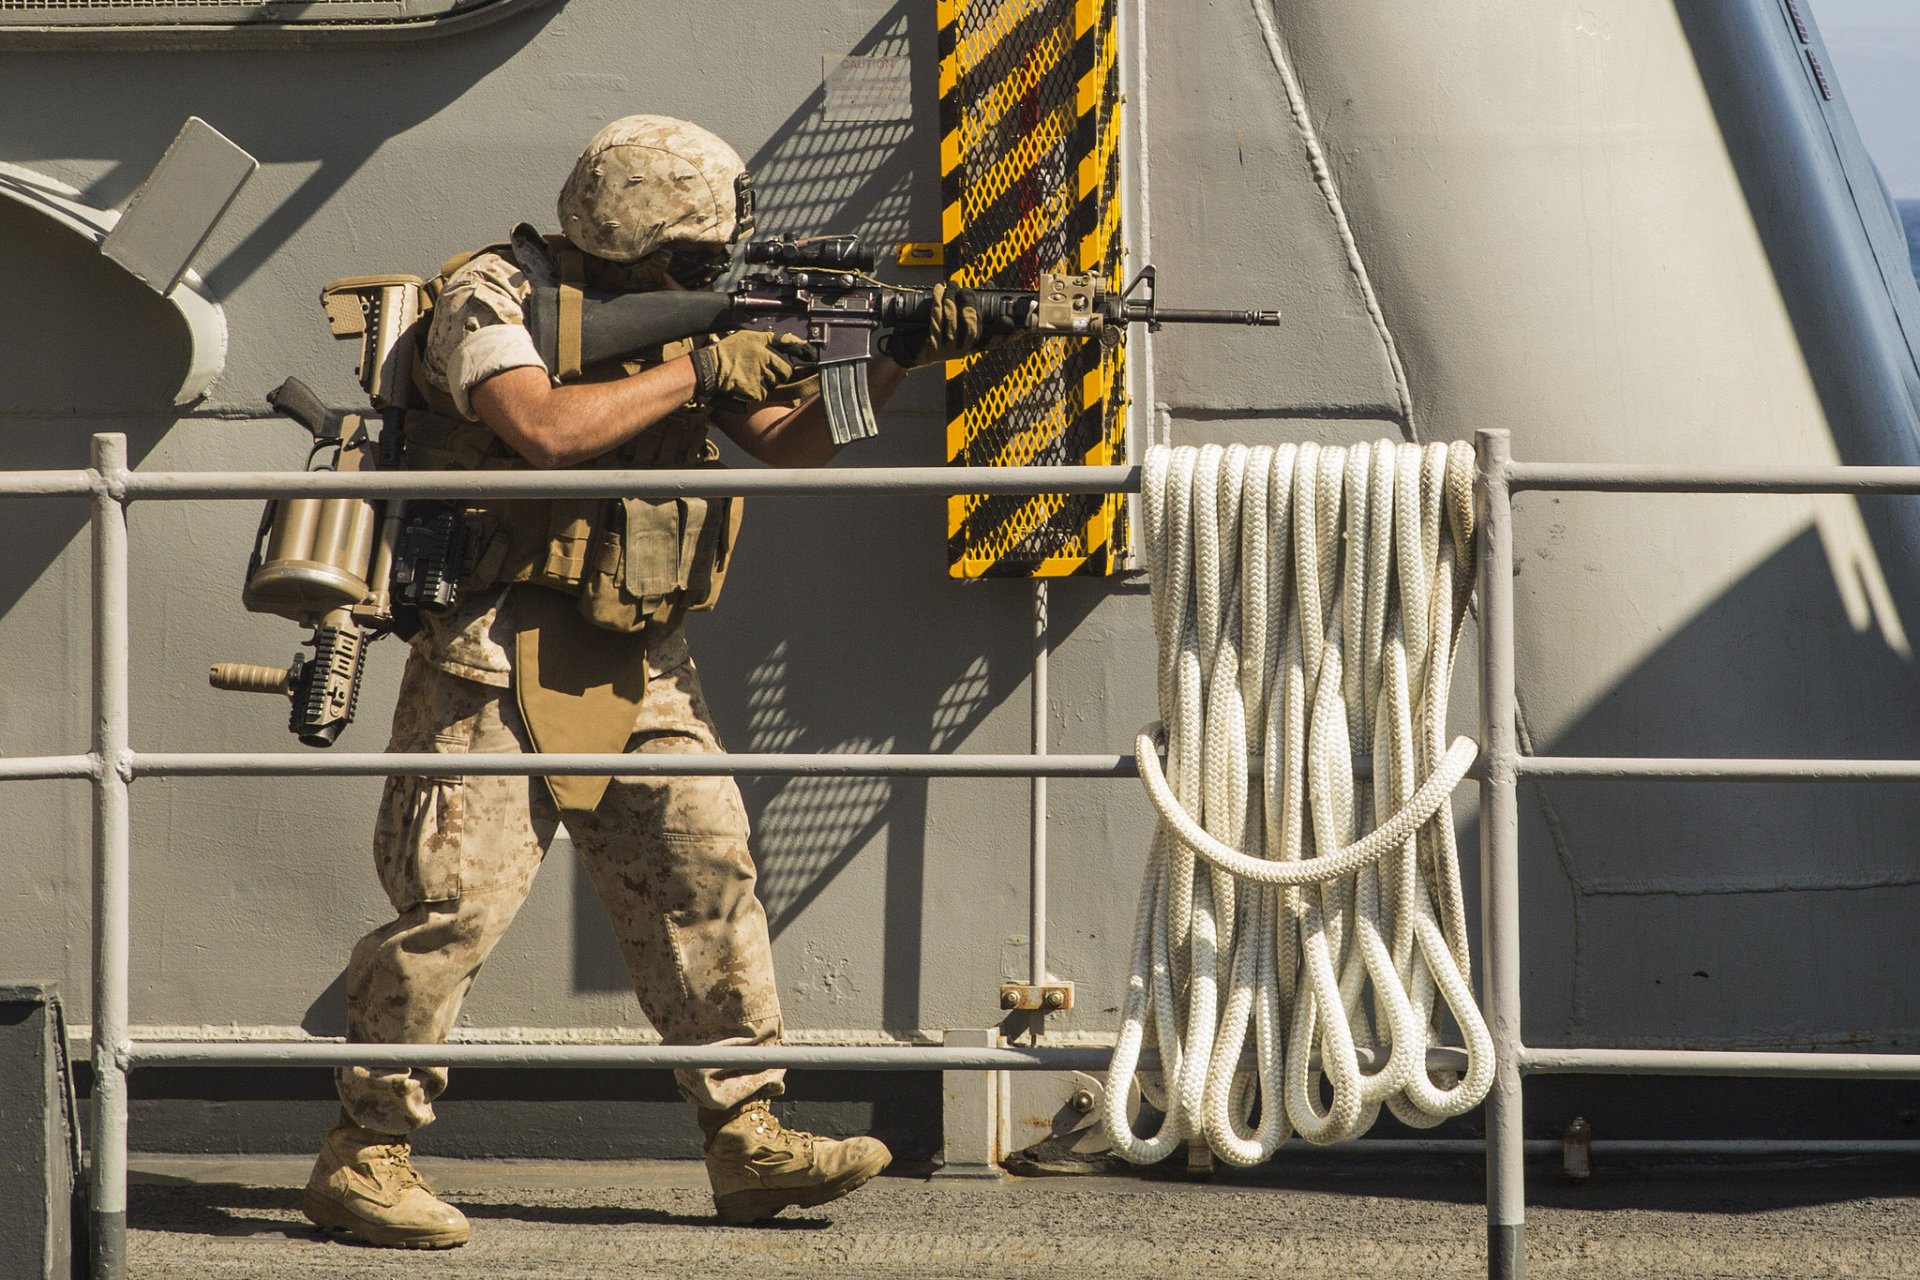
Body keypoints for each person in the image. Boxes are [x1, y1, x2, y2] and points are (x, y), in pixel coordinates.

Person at [299, 114, 1009, 1249]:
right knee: (451, 911)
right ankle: (364, 1154)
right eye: (695, 259)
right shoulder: (494, 297)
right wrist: (699, 365)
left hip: (638, 652)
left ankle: (748, 1138)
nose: (714, 274)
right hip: (492, 646)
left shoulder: (683, 321)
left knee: (706, 868)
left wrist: (898, 354)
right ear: (635, 237)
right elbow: (537, 425)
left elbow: (787, 443)